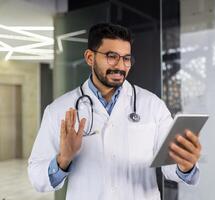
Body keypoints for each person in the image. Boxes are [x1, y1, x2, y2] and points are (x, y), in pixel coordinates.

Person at [28, 23, 201, 200]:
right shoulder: (59, 110)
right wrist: (63, 159)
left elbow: (171, 166)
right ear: (89, 57)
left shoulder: (152, 105)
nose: (121, 66)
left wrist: (185, 165)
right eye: (112, 56)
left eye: (126, 58)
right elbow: (37, 177)